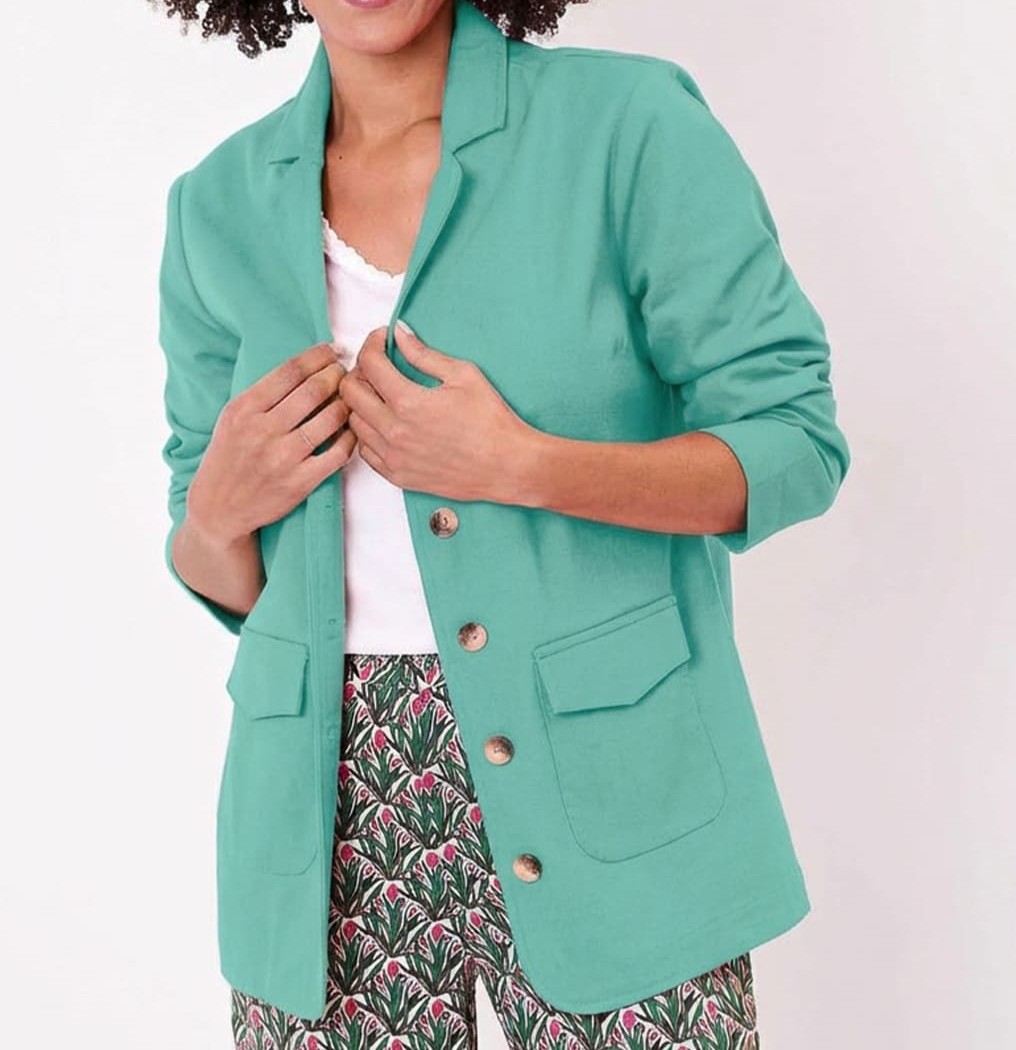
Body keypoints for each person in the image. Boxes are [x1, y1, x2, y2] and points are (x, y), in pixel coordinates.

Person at [155, 0, 851, 1047]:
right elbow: (218, 560)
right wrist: (216, 512)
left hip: (607, 772)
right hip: (318, 810)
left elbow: (794, 441)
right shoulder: (215, 206)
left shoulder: (626, 125)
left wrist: (522, 465)